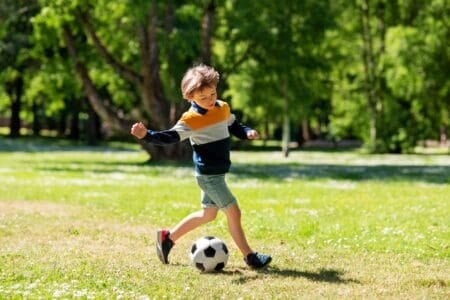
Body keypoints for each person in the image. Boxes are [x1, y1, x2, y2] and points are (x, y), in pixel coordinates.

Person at [130, 64, 272, 269]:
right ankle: (250, 257)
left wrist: (247, 132)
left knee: (208, 214)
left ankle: (167, 239)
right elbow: (169, 136)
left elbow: (234, 125)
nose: (210, 100)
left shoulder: (222, 108)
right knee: (234, 212)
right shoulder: (190, 120)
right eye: (203, 97)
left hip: (218, 173)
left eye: (212, 93)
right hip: (208, 176)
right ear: (190, 97)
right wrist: (147, 135)